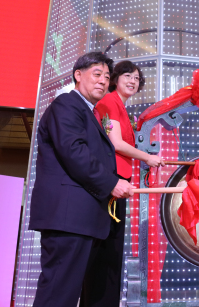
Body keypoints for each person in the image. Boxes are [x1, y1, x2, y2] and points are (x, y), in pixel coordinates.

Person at [29, 52, 135, 307]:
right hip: (68, 218)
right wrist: (112, 183)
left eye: (107, 77)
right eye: (97, 74)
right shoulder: (67, 104)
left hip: (83, 219)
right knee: (58, 294)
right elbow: (74, 151)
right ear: (78, 75)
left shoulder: (90, 112)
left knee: (71, 293)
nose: (103, 81)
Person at [88, 60, 164, 306]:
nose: (133, 81)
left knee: (112, 250)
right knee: (104, 250)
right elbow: (117, 143)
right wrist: (148, 158)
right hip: (110, 182)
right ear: (115, 79)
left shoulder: (120, 106)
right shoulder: (109, 102)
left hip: (119, 181)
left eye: (137, 78)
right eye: (128, 76)